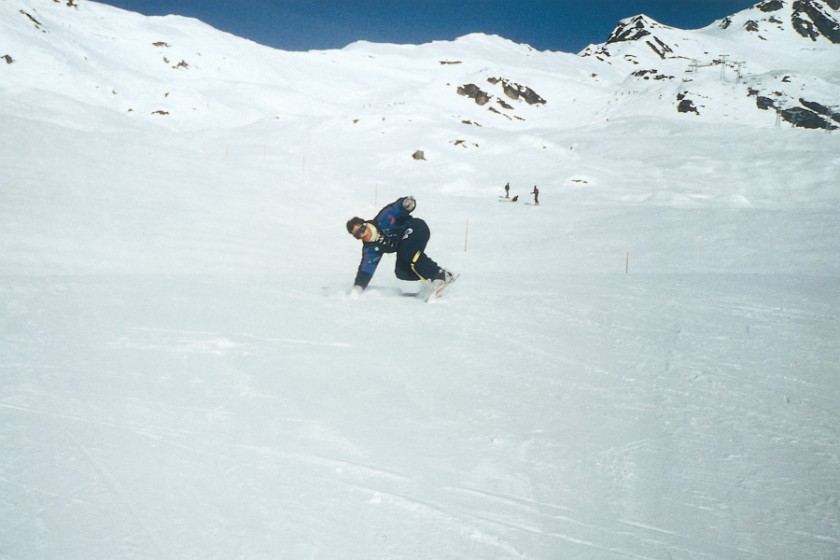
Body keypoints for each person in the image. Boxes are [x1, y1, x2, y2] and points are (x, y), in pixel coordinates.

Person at [346, 196, 454, 296]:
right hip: (406, 244)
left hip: (416, 228)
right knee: (401, 273)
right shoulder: (370, 248)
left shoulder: (382, 219)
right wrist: (357, 289)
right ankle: (437, 278)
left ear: (365, 224)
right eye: (357, 235)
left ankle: (439, 276)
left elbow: (395, 209)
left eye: (362, 229)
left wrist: (405, 204)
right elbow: (366, 268)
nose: (363, 234)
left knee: (405, 251)